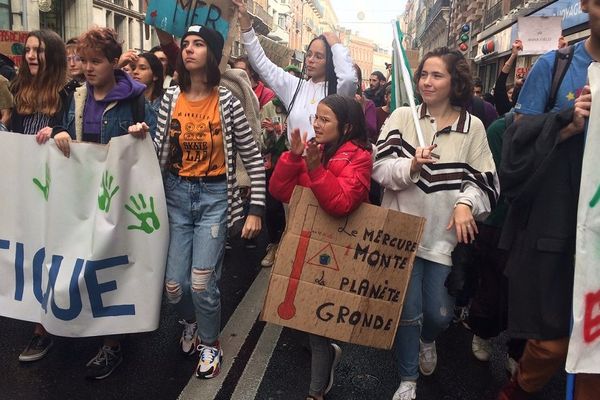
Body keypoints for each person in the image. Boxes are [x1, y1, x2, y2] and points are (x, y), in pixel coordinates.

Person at [373, 47, 498, 400]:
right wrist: (410, 166)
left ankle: (429, 340)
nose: (427, 81)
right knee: (408, 312)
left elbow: (486, 179)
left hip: (442, 241)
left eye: (437, 75)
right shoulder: (401, 117)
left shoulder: (471, 127)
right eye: (424, 74)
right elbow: (379, 168)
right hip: (401, 235)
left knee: (440, 314)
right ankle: (408, 378)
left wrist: (464, 204)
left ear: (455, 81)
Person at [498, 0, 600, 397]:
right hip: (555, 229)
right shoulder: (555, 66)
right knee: (551, 341)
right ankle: (518, 387)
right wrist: (564, 123)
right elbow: (517, 139)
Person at [151, 25, 265, 380]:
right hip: (175, 197)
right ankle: (190, 322)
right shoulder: (170, 97)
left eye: (198, 44)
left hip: (215, 198)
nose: (188, 50)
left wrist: (256, 210)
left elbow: (253, 156)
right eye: (185, 44)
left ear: (212, 54)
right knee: (174, 287)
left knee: (201, 283)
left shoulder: (227, 101)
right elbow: (157, 152)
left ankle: (210, 343)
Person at [50, 27, 157, 379]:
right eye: (84, 60)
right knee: (83, 261)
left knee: (112, 264)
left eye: (96, 61)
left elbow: (156, 146)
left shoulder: (136, 99)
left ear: (114, 62)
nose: (88, 67)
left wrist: (142, 135)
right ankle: (86, 327)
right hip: (82, 197)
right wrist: (57, 134)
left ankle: (112, 343)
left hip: (119, 199)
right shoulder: (76, 96)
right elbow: (60, 132)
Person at [269, 94, 373, 399]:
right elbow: (281, 191)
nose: (316, 123)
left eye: (324, 119)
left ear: (347, 126)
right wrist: (292, 157)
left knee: (317, 326)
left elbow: (340, 204)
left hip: (337, 249)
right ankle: (323, 353)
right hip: (306, 241)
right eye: (316, 117)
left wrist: (315, 169)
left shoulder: (360, 157)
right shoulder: (316, 150)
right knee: (302, 314)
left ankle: (316, 391)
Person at [9, 29, 73, 364]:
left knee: (50, 253)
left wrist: (62, 132)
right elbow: (13, 132)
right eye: (29, 50)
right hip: (24, 184)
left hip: (54, 187)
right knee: (26, 250)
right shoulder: (18, 88)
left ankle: (43, 329)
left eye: (39, 51)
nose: (32, 56)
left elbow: (74, 134)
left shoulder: (67, 91)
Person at [233, 0, 356, 143]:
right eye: (309, 54)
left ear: (331, 62)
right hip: (295, 162)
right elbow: (262, 63)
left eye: (319, 56)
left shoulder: (338, 92)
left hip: (325, 162)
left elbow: (348, 78)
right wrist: (246, 26)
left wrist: (336, 46)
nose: (310, 60)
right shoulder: (295, 87)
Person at [494, 40, 522, 116]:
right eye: (509, 92)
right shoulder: (505, 108)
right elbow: (501, 81)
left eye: (513, 93)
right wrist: (513, 55)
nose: (511, 95)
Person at [353, 64, 378, 142]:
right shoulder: (332, 100)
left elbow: (371, 130)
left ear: (359, 81)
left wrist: (360, 108)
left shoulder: (368, 104)